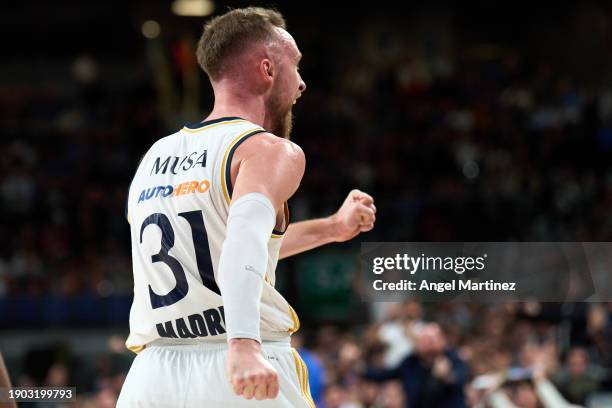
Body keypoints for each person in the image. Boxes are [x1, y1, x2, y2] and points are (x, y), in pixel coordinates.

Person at [117, 7, 376, 407]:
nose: (303, 84)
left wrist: (332, 228)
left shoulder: (155, 156)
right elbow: (242, 240)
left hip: (152, 376)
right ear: (267, 70)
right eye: (296, 66)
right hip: (236, 361)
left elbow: (227, 248)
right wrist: (243, 343)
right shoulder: (268, 150)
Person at [365, 323, 467, 408]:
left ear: (443, 341)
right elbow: (384, 375)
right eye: (425, 339)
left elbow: (459, 378)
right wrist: (360, 369)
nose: (429, 343)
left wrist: (446, 376)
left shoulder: (453, 358)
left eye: (433, 339)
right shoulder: (410, 362)